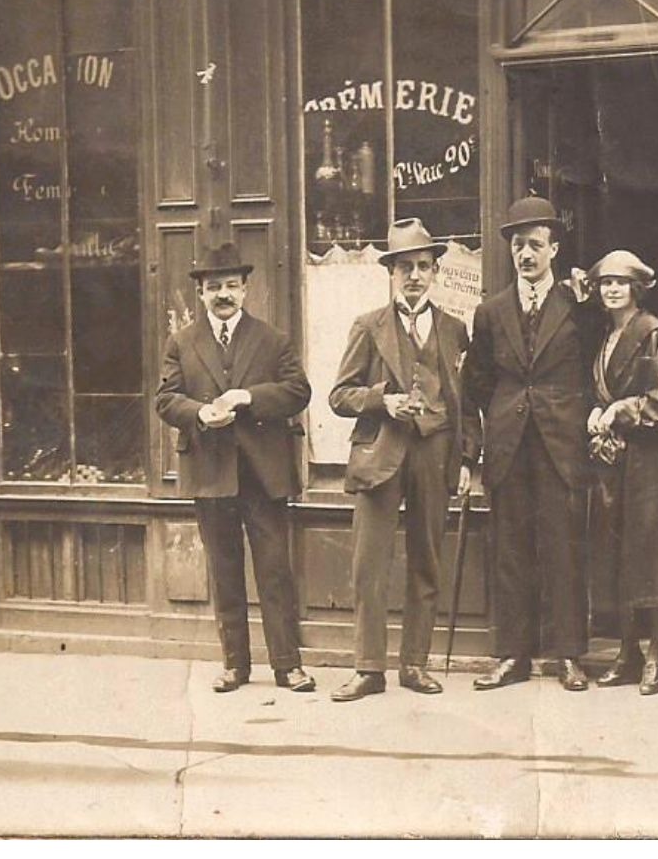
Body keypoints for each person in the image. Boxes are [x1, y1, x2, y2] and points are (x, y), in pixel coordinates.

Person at [326, 219, 478, 702]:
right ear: (390, 272)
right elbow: (338, 395)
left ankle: (415, 664)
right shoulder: (368, 327)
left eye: (423, 266)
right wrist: (381, 400)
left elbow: (465, 403)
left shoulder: (454, 330)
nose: (415, 275)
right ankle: (369, 669)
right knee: (368, 565)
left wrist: (468, 460)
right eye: (405, 267)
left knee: (427, 560)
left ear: (435, 272)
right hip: (379, 455)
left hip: (434, 454)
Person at [155, 241, 314, 694]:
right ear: (200, 294)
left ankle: (288, 666)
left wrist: (248, 397)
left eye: (230, 285)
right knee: (224, 571)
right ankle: (235, 665)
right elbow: (165, 399)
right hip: (210, 472)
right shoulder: (181, 342)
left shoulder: (272, 339)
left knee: (274, 571)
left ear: (245, 289)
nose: (222, 295)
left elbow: (298, 391)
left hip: (263, 473)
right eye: (212, 288)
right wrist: (200, 414)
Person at [463, 196, 598, 692]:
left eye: (536, 245)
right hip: (508, 445)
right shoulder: (491, 311)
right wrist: (476, 444)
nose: (526, 254)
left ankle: (568, 655)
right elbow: (476, 383)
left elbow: (592, 371)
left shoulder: (579, 308)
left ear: (554, 249)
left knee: (564, 548)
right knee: (510, 551)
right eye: (519, 245)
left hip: (562, 443)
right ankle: (512, 654)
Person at [586, 250, 658, 696]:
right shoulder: (607, 334)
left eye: (621, 283)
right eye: (605, 283)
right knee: (616, 550)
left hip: (643, 460)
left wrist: (619, 408)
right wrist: (597, 409)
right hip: (612, 460)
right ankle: (627, 650)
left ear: (636, 288)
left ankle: (656, 652)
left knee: (646, 551)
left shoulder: (649, 330)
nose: (612, 289)